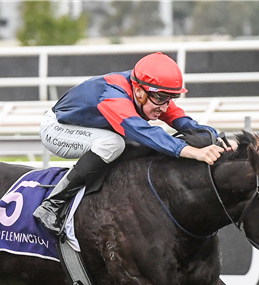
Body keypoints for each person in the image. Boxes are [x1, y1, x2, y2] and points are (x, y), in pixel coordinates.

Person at [34, 51, 236, 235]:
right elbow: (145, 132)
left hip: (90, 128)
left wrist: (218, 140)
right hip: (57, 128)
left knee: (133, 145)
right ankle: (52, 204)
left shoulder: (149, 93)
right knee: (114, 143)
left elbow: (184, 123)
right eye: (161, 98)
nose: (165, 106)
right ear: (139, 91)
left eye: (171, 98)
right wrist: (192, 152)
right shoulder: (113, 96)